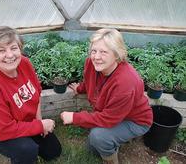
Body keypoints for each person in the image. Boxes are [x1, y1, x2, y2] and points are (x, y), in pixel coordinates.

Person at [60, 28, 153, 164]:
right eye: (94, 51)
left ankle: (110, 160)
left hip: (135, 121)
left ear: (117, 54)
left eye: (104, 52)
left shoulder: (125, 82)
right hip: (116, 114)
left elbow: (108, 119)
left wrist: (74, 117)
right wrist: (79, 89)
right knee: (92, 147)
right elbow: (89, 81)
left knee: (98, 137)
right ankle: (114, 139)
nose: (96, 57)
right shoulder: (92, 64)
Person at [0, 26, 62, 164]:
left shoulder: (24, 63)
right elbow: (4, 129)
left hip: (25, 121)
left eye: (13, 48)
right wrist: (40, 127)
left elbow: (37, 92)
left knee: (53, 151)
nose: (10, 55)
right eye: (2, 50)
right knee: (27, 150)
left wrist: (38, 121)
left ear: (20, 48)